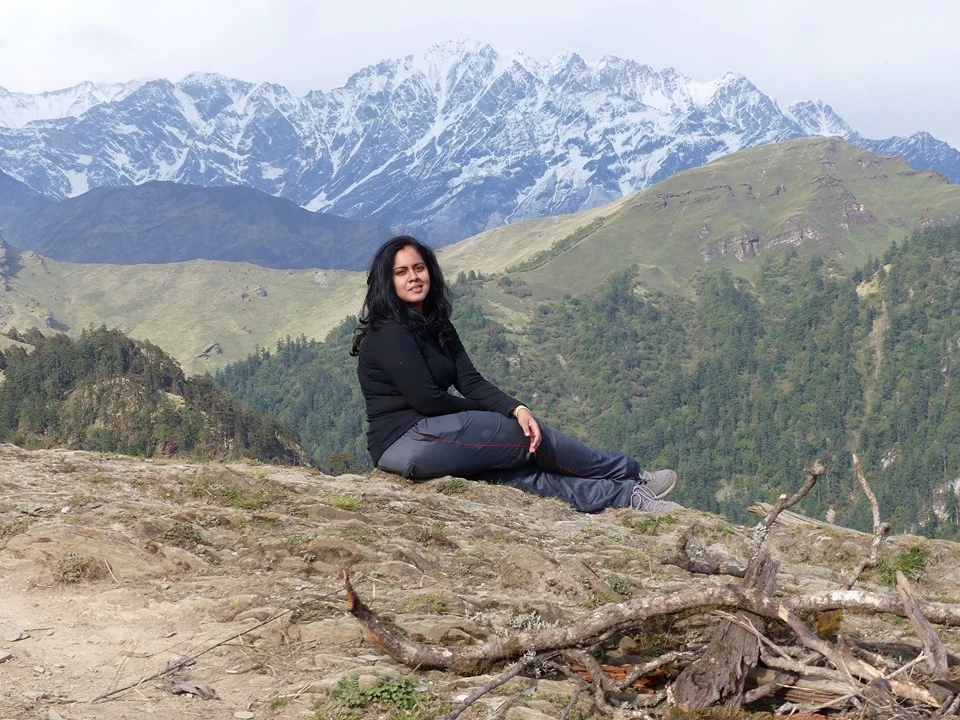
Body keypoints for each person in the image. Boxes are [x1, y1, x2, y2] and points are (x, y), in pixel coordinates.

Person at [350, 235, 682, 513]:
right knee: (528, 436)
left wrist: (515, 408)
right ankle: (632, 474)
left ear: (430, 272)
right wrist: (498, 418)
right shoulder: (390, 332)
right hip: (405, 439)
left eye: (419, 268)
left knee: (513, 473)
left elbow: (470, 380)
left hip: (430, 438)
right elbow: (428, 400)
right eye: (401, 272)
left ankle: (626, 497)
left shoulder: (436, 324)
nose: (413, 277)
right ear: (387, 282)